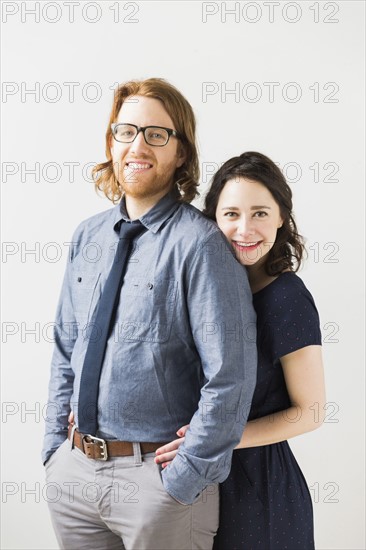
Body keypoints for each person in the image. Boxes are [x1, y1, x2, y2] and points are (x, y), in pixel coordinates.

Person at [42, 78, 257, 550]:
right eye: (126, 131)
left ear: (181, 153)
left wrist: (183, 479)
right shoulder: (88, 236)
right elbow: (65, 348)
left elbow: (231, 376)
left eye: (157, 134)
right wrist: (53, 452)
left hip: (157, 484)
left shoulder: (201, 246)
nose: (138, 145)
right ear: (111, 142)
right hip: (74, 476)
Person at [155, 151, 326, 549]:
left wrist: (216, 438)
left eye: (260, 213)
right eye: (231, 213)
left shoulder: (287, 299)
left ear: (282, 216)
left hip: (258, 491)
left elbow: (311, 412)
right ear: (212, 218)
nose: (245, 228)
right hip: (193, 477)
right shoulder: (204, 291)